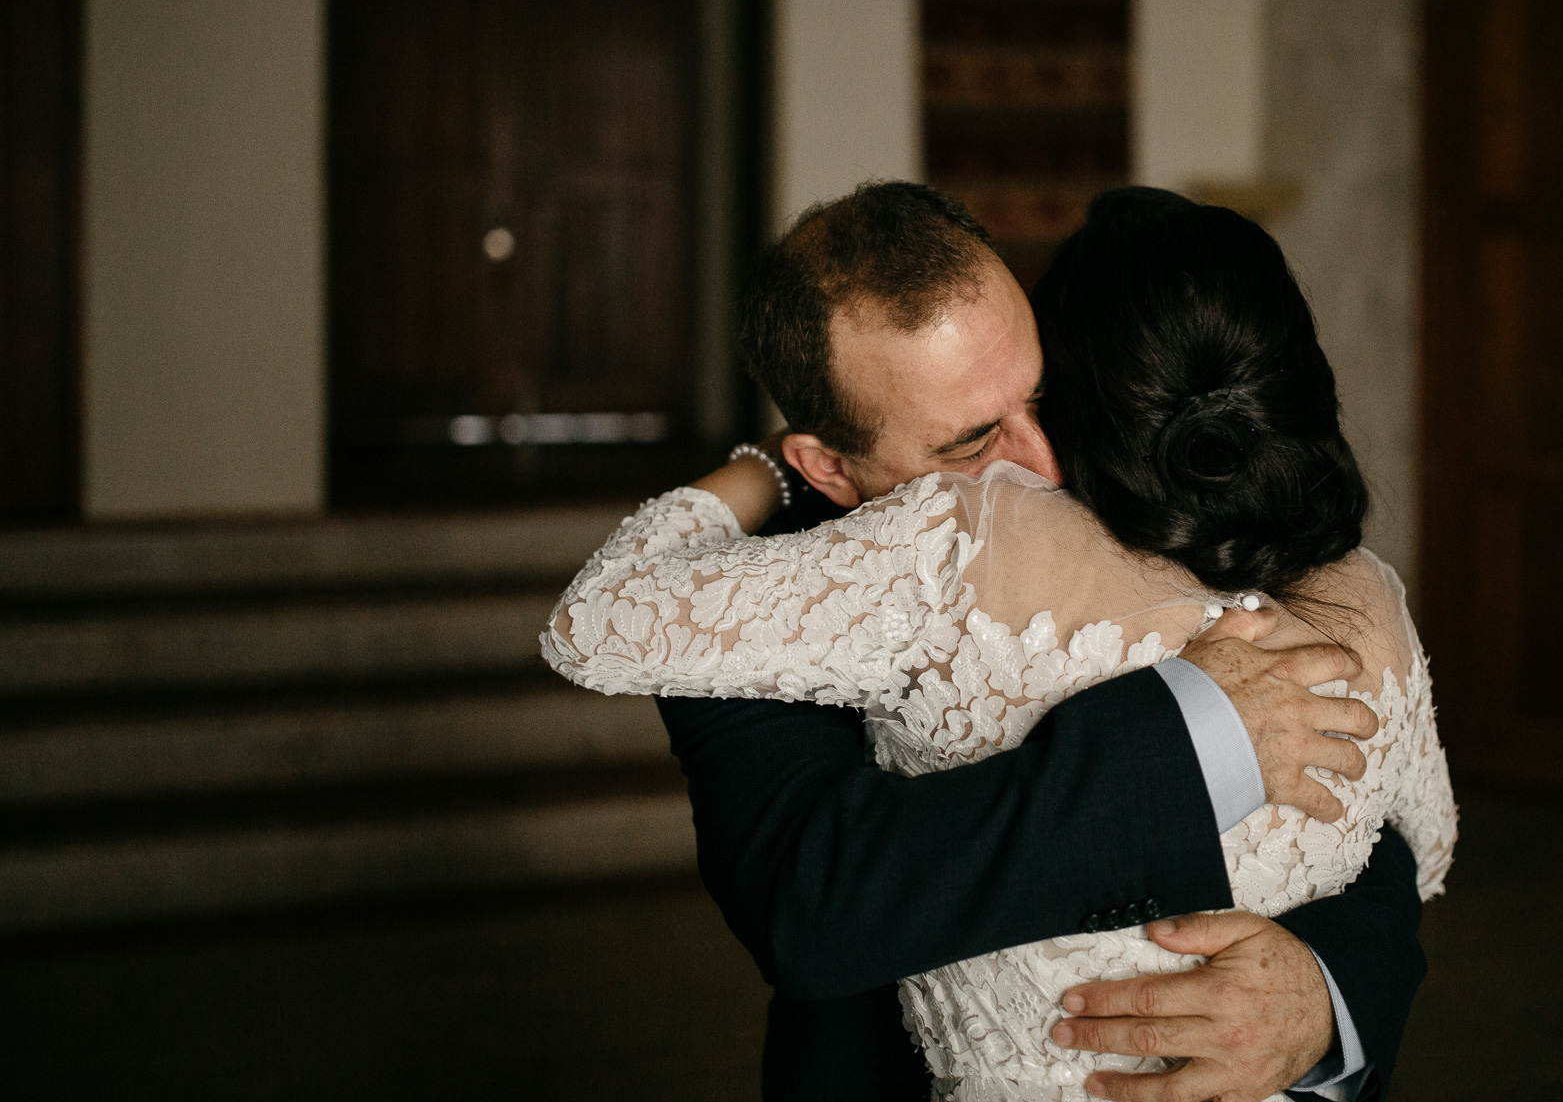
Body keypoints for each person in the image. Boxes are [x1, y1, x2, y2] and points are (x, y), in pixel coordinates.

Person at [573, 184, 1448, 1100]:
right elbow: (813, 904)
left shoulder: (1135, 468)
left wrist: (1326, 989)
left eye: (1042, 397)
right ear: (827, 465)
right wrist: (1194, 743)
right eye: (971, 443)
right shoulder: (747, 592)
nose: (1044, 466)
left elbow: (1374, 825)